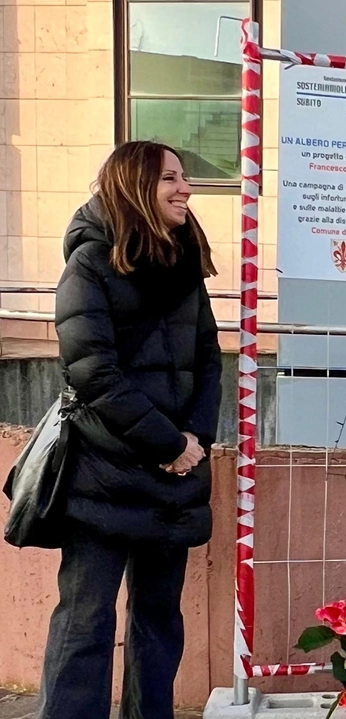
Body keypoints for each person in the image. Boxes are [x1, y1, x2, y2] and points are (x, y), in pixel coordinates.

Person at [39, 141, 222, 719]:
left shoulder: (185, 263)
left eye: (185, 177)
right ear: (134, 186)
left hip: (174, 479)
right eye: (170, 178)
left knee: (158, 622)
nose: (186, 188)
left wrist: (193, 443)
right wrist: (168, 445)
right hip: (104, 474)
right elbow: (92, 371)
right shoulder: (90, 264)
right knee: (86, 622)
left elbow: (210, 362)